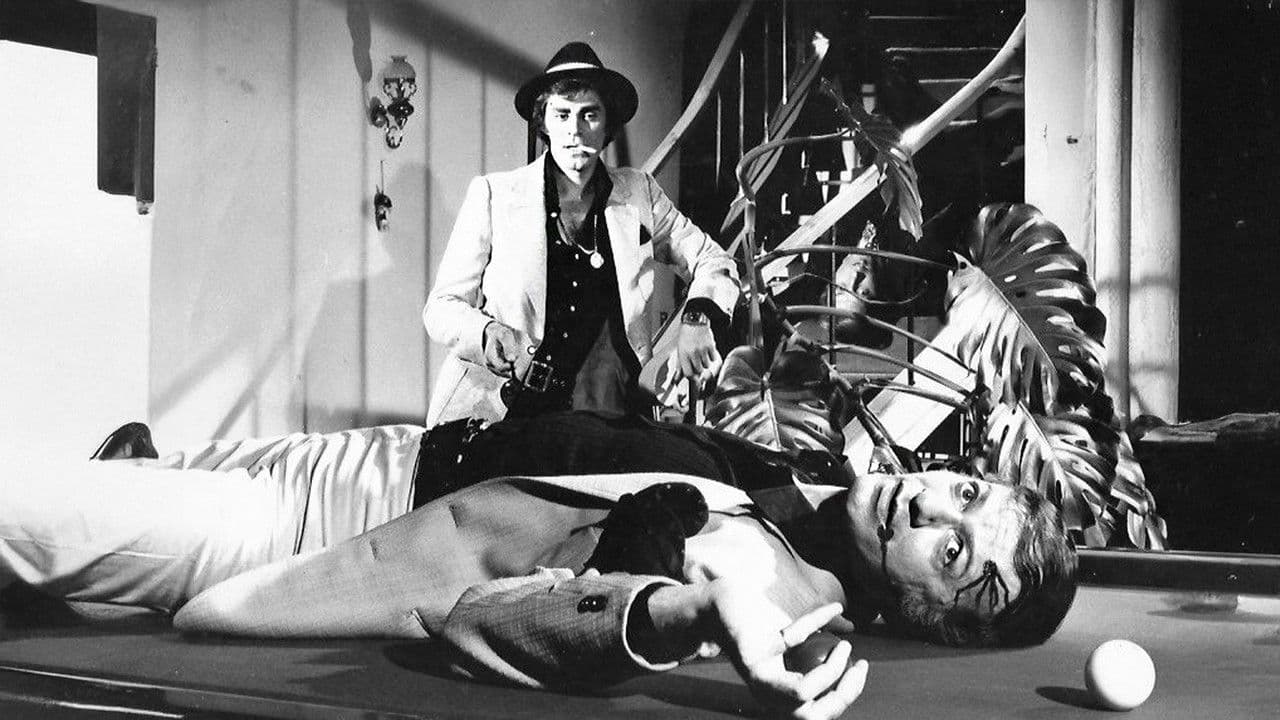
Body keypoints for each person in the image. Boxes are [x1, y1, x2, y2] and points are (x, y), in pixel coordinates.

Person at [0, 415, 1076, 719]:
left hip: (303, 526)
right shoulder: (800, 488)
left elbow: (599, 587)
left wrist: (686, 612)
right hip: (359, 450)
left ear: (930, 618)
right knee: (98, 495)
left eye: (953, 554)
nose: (930, 503)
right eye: (964, 493)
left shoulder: (778, 572)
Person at [423, 42, 740, 425]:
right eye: (562, 115)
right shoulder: (494, 195)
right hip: (505, 412)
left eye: (590, 115)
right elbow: (441, 306)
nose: (575, 130)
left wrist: (698, 318)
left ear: (607, 125)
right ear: (543, 122)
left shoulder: (640, 193)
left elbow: (713, 259)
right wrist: (487, 332)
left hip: (610, 412)